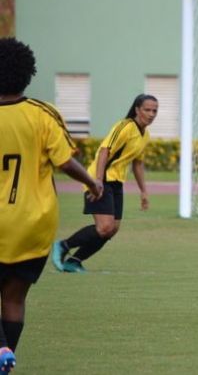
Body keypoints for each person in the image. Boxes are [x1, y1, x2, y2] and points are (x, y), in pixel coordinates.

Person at [0, 37, 102, 374]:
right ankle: (6, 356)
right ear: (28, 74)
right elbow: (66, 161)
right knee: (14, 297)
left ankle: (0, 348)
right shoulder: (43, 115)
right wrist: (92, 182)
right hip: (33, 222)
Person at [51, 94, 158, 273]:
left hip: (116, 182)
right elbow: (103, 151)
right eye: (147, 109)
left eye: (155, 110)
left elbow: (137, 163)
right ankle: (63, 245)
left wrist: (144, 191)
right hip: (99, 178)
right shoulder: (124, 126)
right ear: (137, 110)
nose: (152, 114)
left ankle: (74, 261)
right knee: (104, 227)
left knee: (112, 229)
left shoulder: (145, 135)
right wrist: (97, 181)